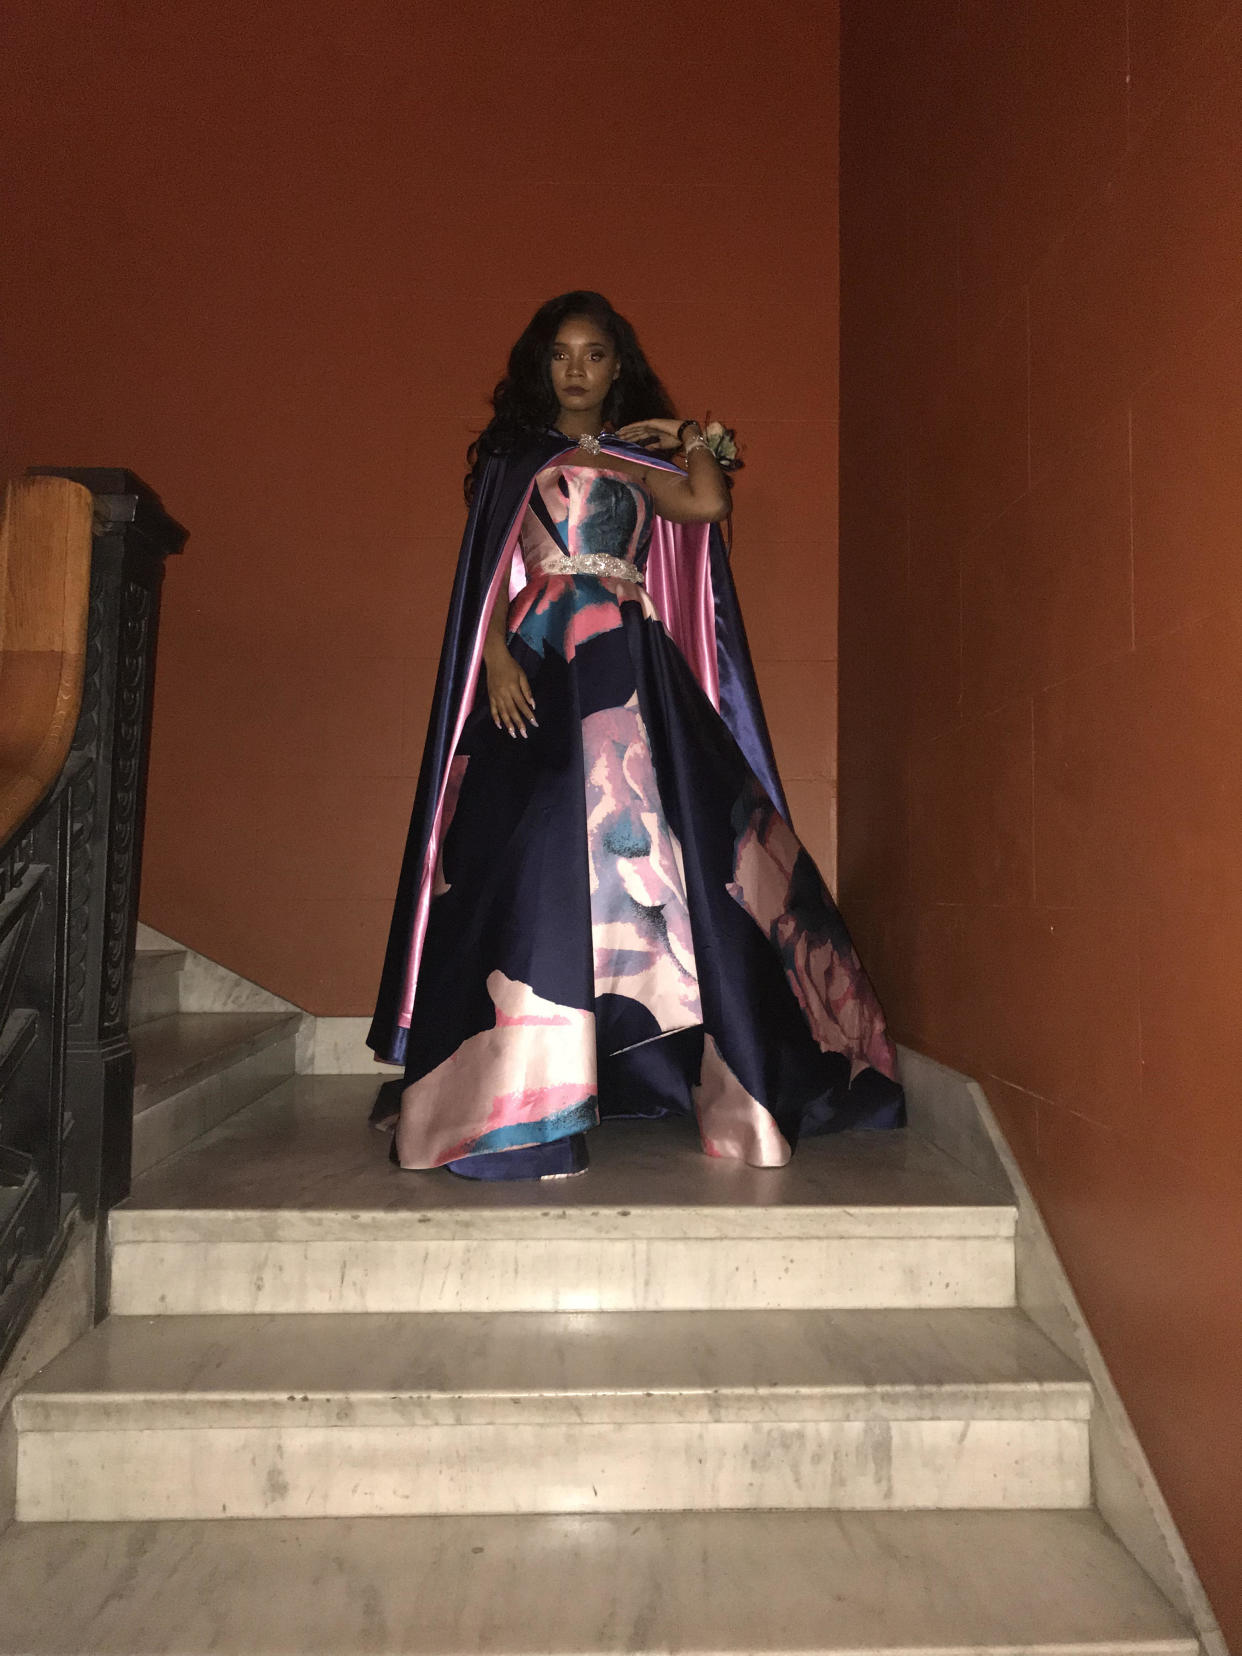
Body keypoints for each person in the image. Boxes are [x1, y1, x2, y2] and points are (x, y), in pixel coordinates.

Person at [368, 290, 903, 1180]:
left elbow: (705, 505)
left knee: (669, 849)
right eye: (562, 354)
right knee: (531, 843)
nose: (577, 369)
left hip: (627, 654)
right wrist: (495, 657)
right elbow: (487, 575)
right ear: (543, 365)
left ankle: (686, 1056)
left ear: (618, 368)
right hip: (538, 652)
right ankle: (520, 1083)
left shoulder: (633, 460)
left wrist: (684, 433)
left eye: (596, 355)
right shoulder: (516, 460)